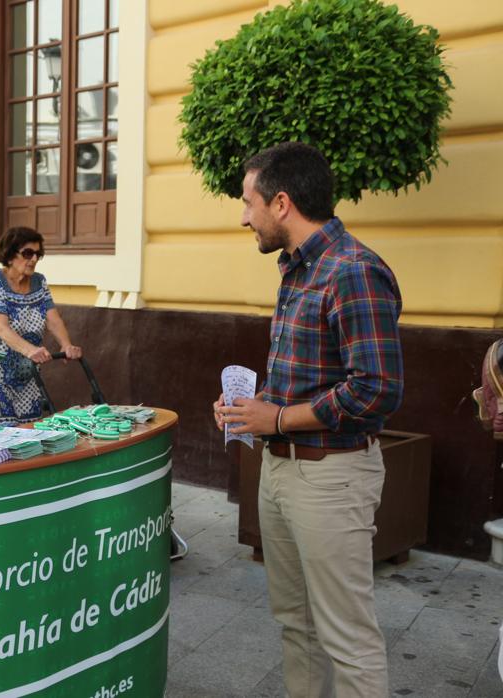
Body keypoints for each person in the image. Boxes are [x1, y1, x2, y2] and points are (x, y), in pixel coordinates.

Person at [213, 142, 402, 697]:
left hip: (332, 477)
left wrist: (278, 417)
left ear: (282, 203)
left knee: (348, 638)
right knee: (296, 625)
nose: (243, 216)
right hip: (281, 472)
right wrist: (248, 409)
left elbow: (377, 390)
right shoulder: (296, 269)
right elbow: (305, 376)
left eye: (249, 202)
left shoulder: (354, 270)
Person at [0, 227, 81, 429]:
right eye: (27, 253)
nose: (33, 259)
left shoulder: (39, 281)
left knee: (30, 436)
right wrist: (30, 350)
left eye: (38, 254)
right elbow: (1, 328)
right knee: (2, 437)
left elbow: (52, 319)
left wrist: (66, 344)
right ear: (10, 255)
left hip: (29, 375)